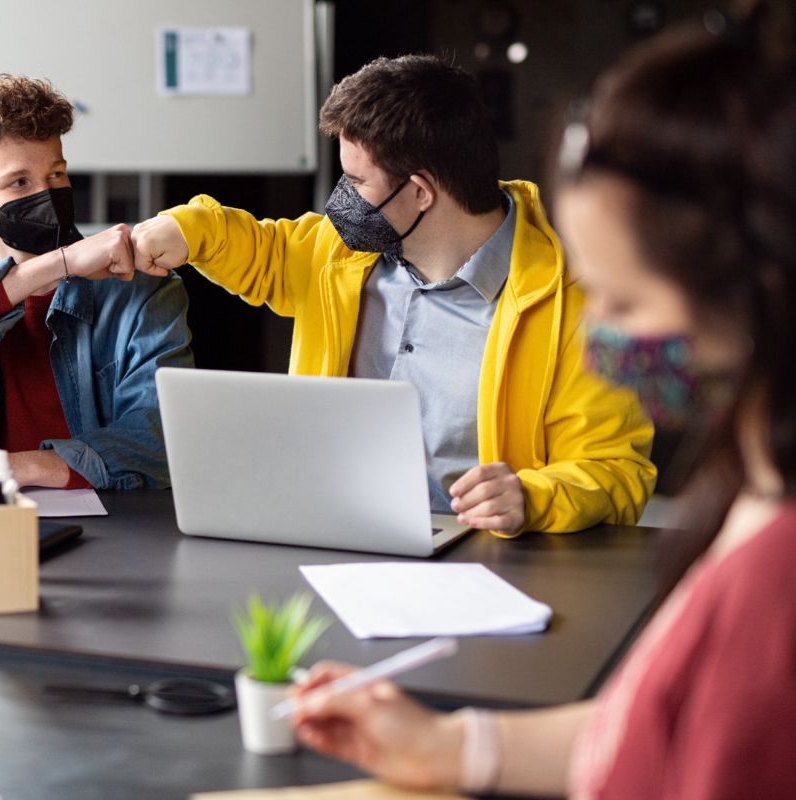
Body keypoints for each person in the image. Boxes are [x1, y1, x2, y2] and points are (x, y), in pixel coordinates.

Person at [287, 6, 796, 798]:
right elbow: (647, 729)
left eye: (621, 303)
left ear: (756, 296)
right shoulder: (750, 495)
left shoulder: (777, 572)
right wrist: (454, 747)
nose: (593, 335)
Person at [130, 55, 655, 536]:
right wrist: (182, 229)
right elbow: (259, 249)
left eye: (357, 182)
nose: (342, 200)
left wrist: (531, 497)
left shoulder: (580, 301)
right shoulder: (337, 255)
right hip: (331, 537)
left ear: (421, 192)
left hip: (486, 560)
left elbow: (615, 470)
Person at [0, 74, 193, 496]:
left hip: (109, 524)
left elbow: (161, 437)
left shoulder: (140, 286)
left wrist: (14, 466)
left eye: (56, 175)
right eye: (19, 182)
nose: (47, 194)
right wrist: (58, 265)